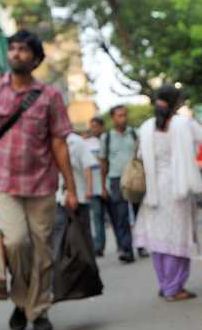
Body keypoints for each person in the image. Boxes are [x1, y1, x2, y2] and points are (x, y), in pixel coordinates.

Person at [0, 29, 78, 330]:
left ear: (35, 59)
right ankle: (21, 302)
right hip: (3, 183)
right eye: (13, 48)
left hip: (42, 183)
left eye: (23, 50)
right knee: (16, 242)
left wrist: (71, 188)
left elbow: (59, 145)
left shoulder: (50, 97)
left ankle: (39, 309)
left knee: (43, 249)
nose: (16, 53)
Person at [133, 84, 202, 301]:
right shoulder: (183, 123)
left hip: (154, 189)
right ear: (177, 102)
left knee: (159, 238)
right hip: (178, 187)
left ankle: (165, 283)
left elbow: (140, 155)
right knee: (178, 236)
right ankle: (174, 288)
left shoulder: (146, 126)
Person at [99, 105, 145, 264]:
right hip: (116, 180)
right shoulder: (107, 138)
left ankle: (141, 245)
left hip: (135, 179)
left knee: (139, 213)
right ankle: (126, 249)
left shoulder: (134, 133)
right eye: (119, 116)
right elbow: (103, 162)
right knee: (121, 216)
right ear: (113, 118)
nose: (123, 118)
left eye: (125, 115)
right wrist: (102, 186)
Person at [53, 130, 97, 253]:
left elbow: (87, 167)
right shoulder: (48, 140)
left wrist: (89, 189)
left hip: (79, 196)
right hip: (57, 197)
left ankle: (87, 263)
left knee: (82, 232)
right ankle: (63, 267)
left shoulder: (76, 141)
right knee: (60, 233)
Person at [84, 117, 106, 256]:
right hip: (93, 187)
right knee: (97, 217)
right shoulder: (86, 143)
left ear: (102, 127)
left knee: (118, 218)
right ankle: (98, 246)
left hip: (108, 184)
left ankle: (125, 246)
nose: (94, 129)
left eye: (96, 126)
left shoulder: (107, 139)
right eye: (92, 126)